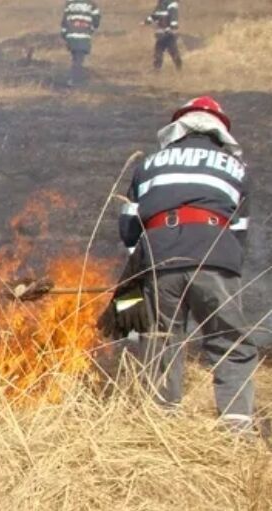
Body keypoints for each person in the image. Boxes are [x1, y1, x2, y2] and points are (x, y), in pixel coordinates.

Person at [113, 97, 255, 431]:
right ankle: (236, 429)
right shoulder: (236, 167)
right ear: (220, 132)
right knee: (229, 338)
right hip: (215, 254)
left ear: (177, 129)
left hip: (159, 256)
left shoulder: (148, 163)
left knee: (161, 337)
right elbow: (239, 230)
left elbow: (129, 224)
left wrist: (141, 268)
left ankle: (161, 425)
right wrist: (228, 265)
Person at [61, 0, 102, 87]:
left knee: (75, 57)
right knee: (79, 59)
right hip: (83, 35)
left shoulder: (69, 3)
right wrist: (92, 28)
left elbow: (64, 20)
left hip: (71, 35)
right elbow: (97, 19)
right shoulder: (91, 4)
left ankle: (74, 78)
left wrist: (64, 34)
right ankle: (75, 80)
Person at [145, 0, 182, 71]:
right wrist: (146, 22)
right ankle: (157, 68)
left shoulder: (171, 4)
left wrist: (173, 28)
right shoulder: (161, 4)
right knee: (159, 50)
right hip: (161, 34)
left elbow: (174, 17)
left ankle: (178, 66)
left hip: (169, 33)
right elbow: (155, 16)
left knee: (171, 50)